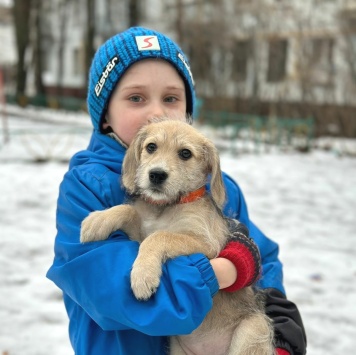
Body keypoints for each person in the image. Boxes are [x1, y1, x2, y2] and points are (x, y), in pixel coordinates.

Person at [46, 27, 306, 355]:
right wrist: (223, 272)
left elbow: (264, 262)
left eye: (171, 98)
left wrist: (278, 331)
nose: (157, 112)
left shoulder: (218, 190)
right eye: (136, 98)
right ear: (105, 115)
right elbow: (120, 294)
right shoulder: (86, 188)